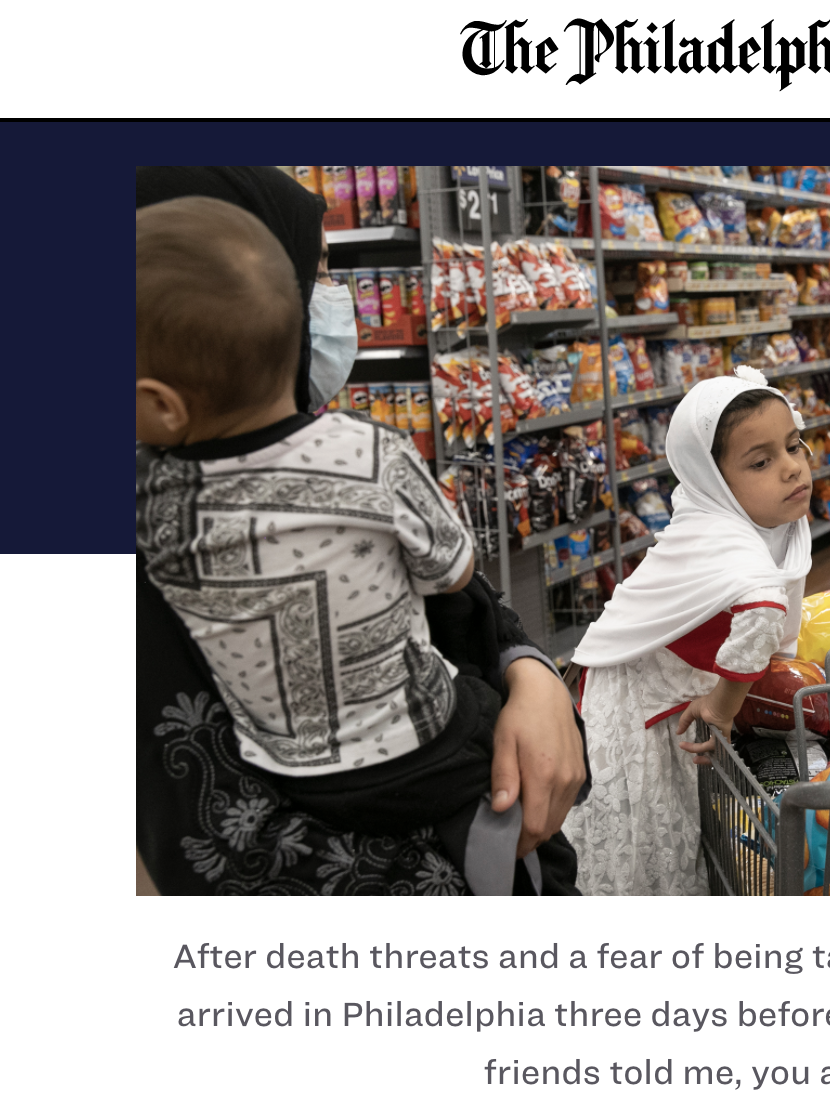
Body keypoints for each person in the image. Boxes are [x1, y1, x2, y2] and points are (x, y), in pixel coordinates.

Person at [135, 166, 586, 895]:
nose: (328, 305)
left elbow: (473, 617)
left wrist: (529, 673)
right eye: (313, 276)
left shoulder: (164, 495)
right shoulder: (364, 458)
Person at [564, 369, 814, 895]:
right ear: (714, 479)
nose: (793, 468)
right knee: (650, 841)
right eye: (762, 461)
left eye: (794, 445)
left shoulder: (754, 522)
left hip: (663, 693)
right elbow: (765, 607)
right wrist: (723, 706)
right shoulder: (721, 535)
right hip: (636, 708)